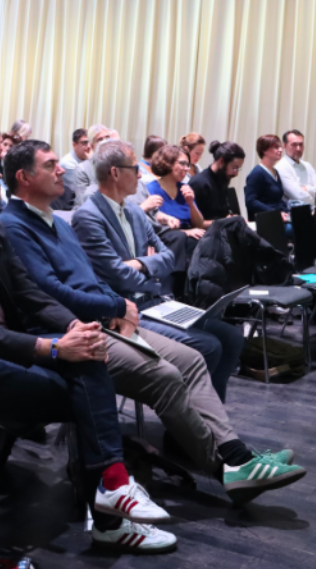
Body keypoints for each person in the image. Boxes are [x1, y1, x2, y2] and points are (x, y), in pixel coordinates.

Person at [0, 140, 306, 502]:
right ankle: (228, 467)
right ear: (24, 178)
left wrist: (116, 302)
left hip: (110, 313)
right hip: (72, 329)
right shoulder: (14, 225)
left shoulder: (57, 222)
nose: (63, 169)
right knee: (169, 372)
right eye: (51, 165)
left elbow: (139, 262)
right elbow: (51, 292)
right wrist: (115, 305)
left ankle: (235, 454)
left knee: (191, 360)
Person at [0, 149, 176, 553]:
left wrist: (72, 326)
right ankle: (111, 502)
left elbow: (31, 295)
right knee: (79, 387)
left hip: (3, 354)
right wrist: (52, 349)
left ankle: (112, 491)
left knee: (86, 355)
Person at [73, 141, 245, 402]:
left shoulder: (133, 210)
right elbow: (117, 275)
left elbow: (168, 255)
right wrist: (151, 272)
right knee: (208, 345)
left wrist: (140, 264)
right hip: (128, 310)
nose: (141, 175)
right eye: (135, 168)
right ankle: (188, 427)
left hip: (154, 301)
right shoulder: (89, 216)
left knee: (231, 336)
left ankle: (211, 416)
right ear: (116, 173)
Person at [146, 145, 206, 239]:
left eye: (188, 165)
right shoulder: (150, 189)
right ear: (168, 163)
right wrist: (186, 232)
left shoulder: (185, 188)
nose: (187, 169)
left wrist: (191, 203)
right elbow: (154, 228)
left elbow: (199, 225)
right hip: (168, 239)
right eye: (182, 163)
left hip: (190, 236)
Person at [190, 141, 245, 221]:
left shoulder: (222, 180)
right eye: (234, 168)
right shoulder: (198, 184)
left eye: (238, 169)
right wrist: (227, 221)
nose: (236, 174)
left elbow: (221, 214)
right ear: (221, 162)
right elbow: (194, 223)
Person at [244, 134, 290, 223]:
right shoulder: (257, 173)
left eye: (280, 147)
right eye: (276, 147)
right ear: (264, 150)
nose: (280, 150)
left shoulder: (275, 171)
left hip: (280, 216)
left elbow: (277, 200)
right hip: (267, 221)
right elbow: (250, 201)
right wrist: (275, 213)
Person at [275, 129, 316, 208]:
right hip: (296, 213)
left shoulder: (307, 165)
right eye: (294, 145)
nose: (298, 148)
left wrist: (307, 188)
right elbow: (298, 195)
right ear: (285, 146)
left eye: (301, 145)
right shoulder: (281, 167)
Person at [60, 128, 91, 196]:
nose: (89, 146)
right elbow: (83, 188)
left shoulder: (88, 157)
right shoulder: (68, 164)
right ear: (74, 144)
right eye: (84, 143)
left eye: (90, 142)